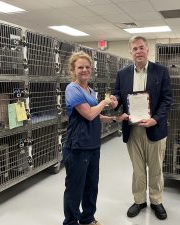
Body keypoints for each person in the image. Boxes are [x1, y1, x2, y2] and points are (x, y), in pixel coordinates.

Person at [110, 36, 172, 220]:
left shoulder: (161, 71)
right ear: (130, 52)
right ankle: (139, 201)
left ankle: (156, 201)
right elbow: (118, 95)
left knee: (155, 168)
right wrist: (115, 101)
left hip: (155, 128)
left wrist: (155, 119)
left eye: (141, 48)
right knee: (137, 169)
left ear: (148, 50)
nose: (138, 51)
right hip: (133, 128)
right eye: (135, 49)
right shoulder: (122, 73)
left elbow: (167, 100)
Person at [63, 51, 116, 225]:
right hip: (78, 147)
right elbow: (88, 114)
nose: (84, 70)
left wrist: (113, 118)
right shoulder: (72, 89)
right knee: (74, 189)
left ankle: (88, 219)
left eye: (87, 67)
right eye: (80, 67)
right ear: (73, 70)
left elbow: (94, 114)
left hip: (93, 145)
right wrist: (104, 102)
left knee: (91, 186)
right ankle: (71, 222)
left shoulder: (90, 91)